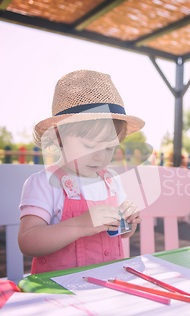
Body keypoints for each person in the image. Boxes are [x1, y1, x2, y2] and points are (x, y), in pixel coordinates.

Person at [18, 70, 145, 274]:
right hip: (60, 290)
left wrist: (128, 222)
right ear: (59, 137)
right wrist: (81, 225)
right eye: (89, 146)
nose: (99, 157)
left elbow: (121, 235)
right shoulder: (45, 183)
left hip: (109, 283)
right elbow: (28, 242)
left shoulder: (110, 181)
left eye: (109, 148)